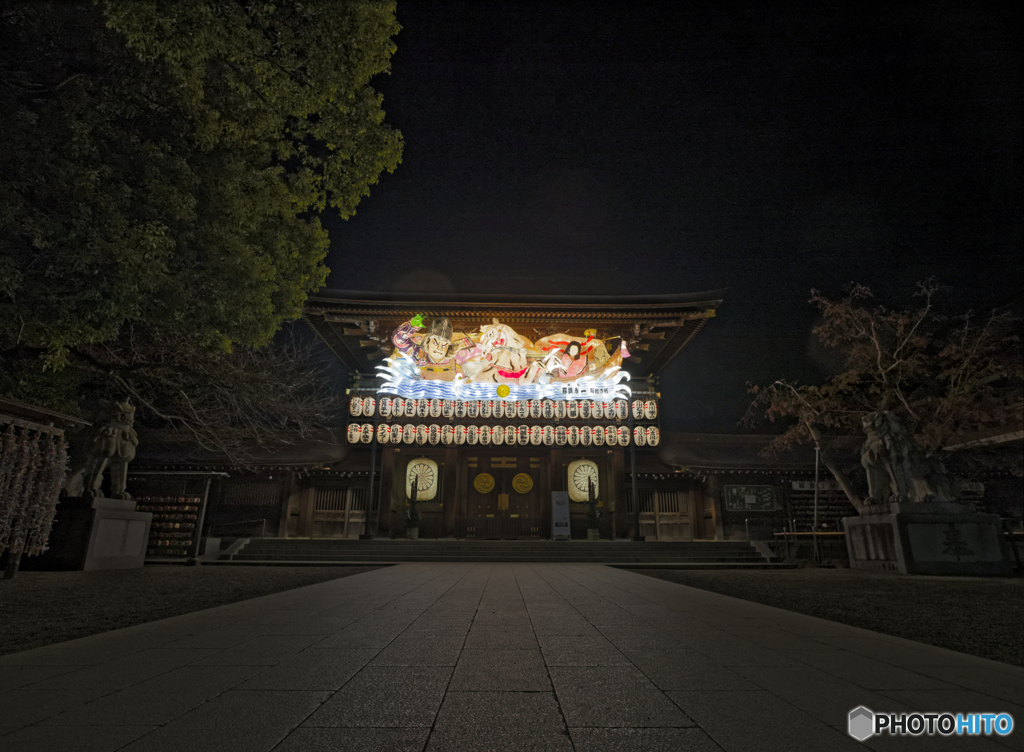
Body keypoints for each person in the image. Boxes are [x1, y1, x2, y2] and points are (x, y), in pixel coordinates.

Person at [391, 315, 480, 380]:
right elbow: (398, 340)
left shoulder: (456, 358)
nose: (439, 348)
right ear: (428, 341)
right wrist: (411, 326)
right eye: (436, 343)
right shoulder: (418, 354)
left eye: (444, 345)